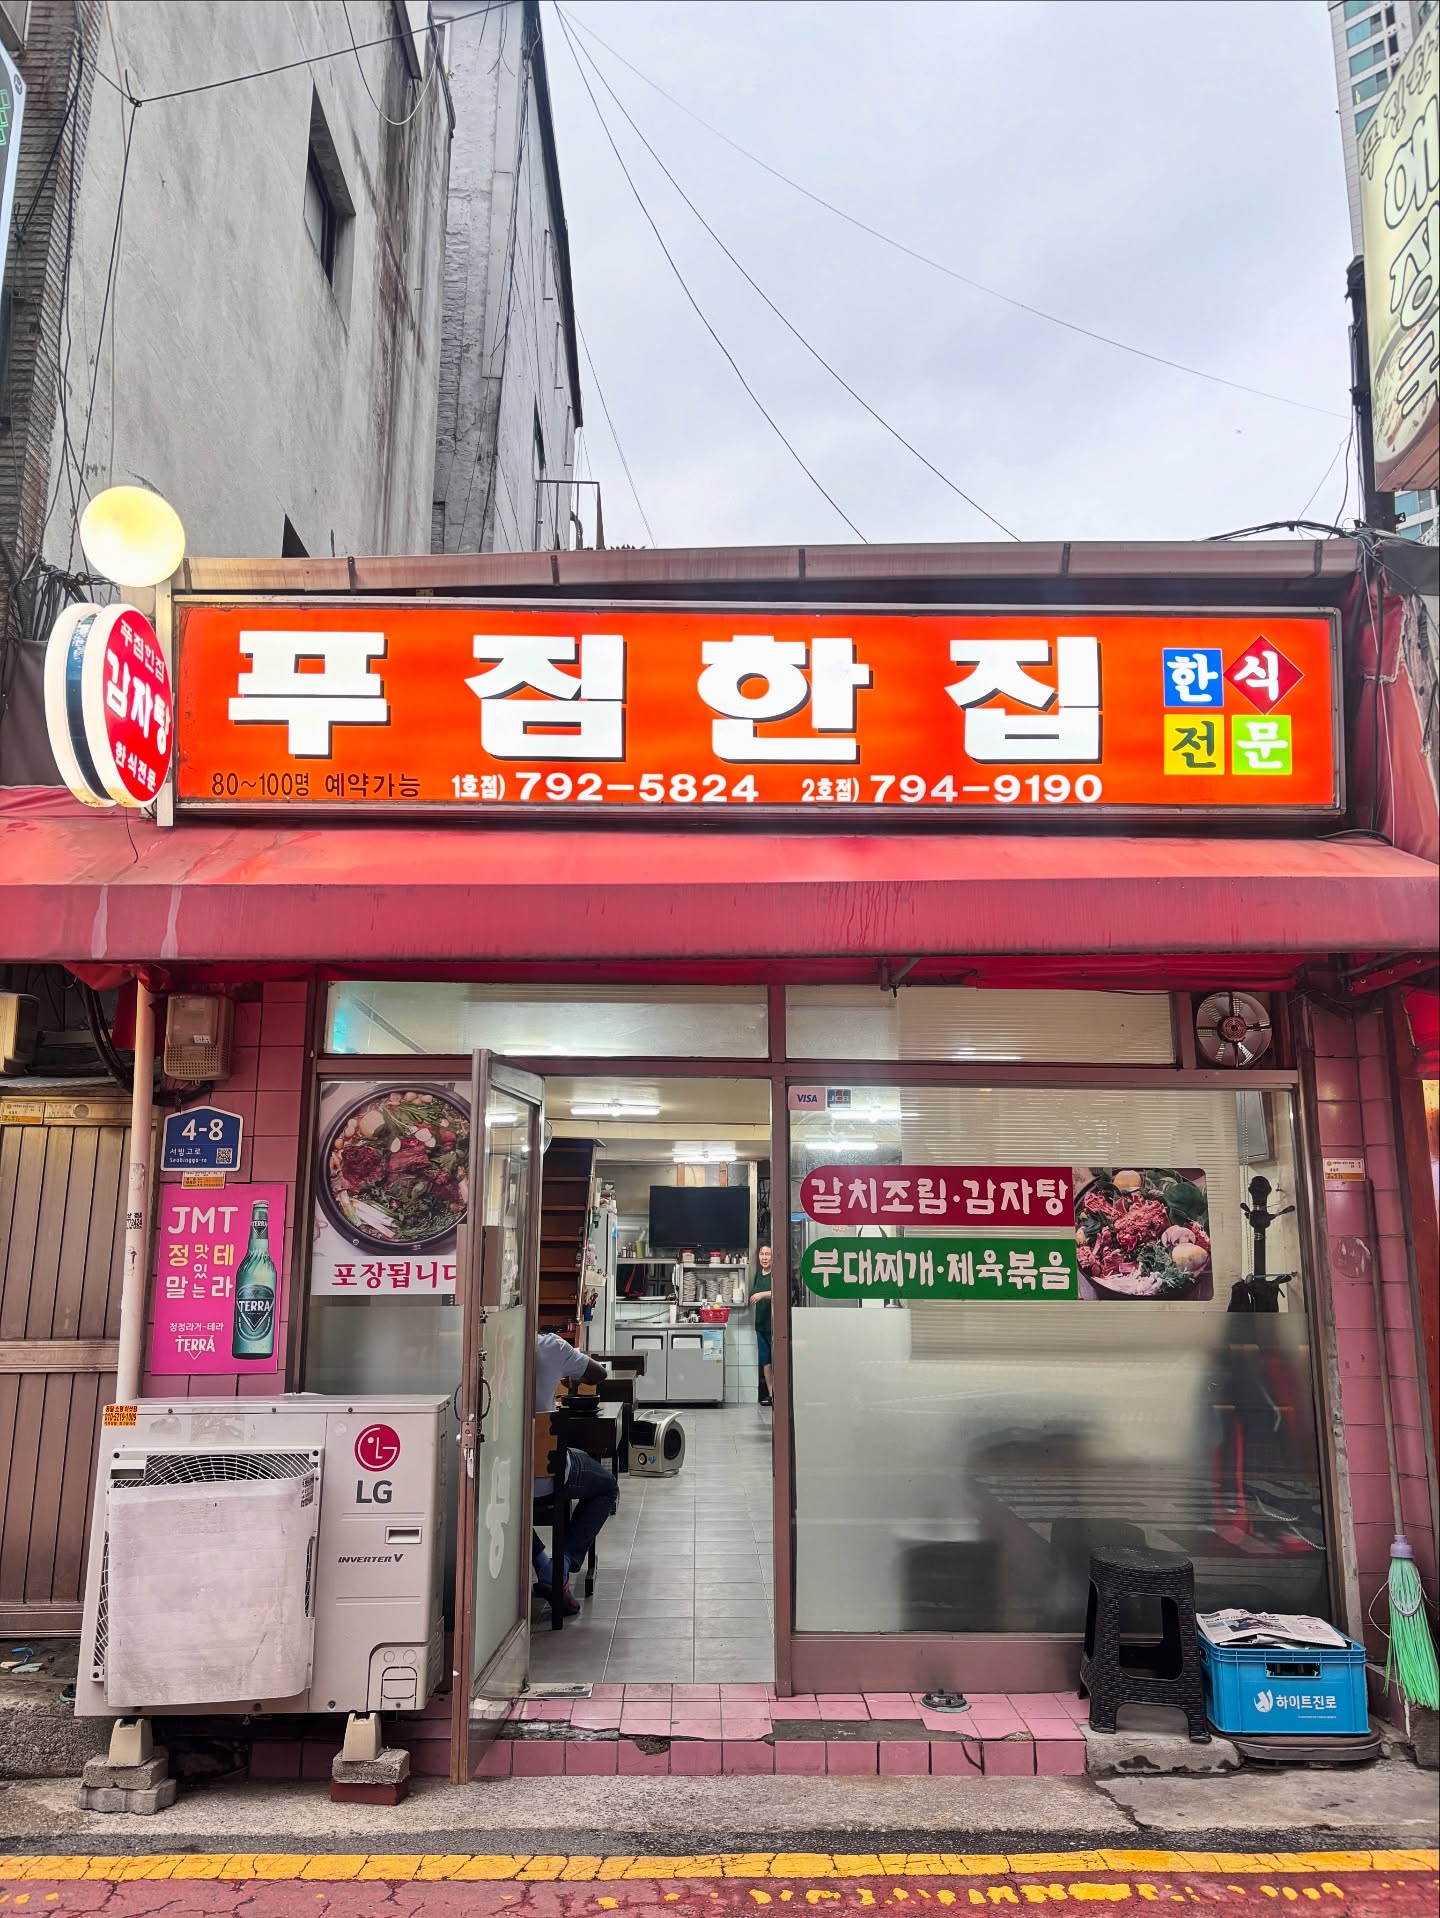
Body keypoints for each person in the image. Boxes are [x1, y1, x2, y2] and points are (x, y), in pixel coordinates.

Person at [532, 1330, 618, 1616]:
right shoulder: (551, 1345)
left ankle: (541, 1561)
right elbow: (598, 1374)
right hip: (546, 1475)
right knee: (607, 1486)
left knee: (503, 1506)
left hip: (500, 1480)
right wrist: (572, 1367)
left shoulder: (483, 1350)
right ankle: (561, 1565)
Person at [750, 1243, 774, 1408]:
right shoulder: (758, 1274)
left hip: (774, 1326)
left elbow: (780, 1292)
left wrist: (762, 1294)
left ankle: (781, 1395)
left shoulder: (776, 1274)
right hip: (760, 1324)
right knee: (765, 1362)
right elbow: (754, 1293)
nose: (764, 1257)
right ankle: (772, 1395)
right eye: (762, 1254)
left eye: (767, 1254)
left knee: (777, 1360)